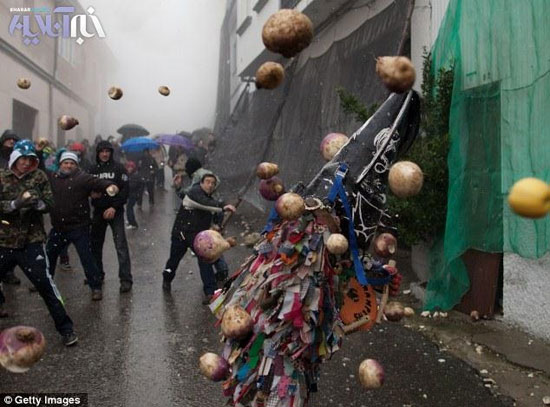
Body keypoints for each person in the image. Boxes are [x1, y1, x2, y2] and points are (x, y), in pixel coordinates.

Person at [0, 140, 77, 346]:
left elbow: (50, 203)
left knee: (46, 286)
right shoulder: (2, 177)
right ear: (15, 159)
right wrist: (15, 204)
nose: (26, 163)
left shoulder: (39, 176)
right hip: (5, 241)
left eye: (30, 159)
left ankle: (66, 329)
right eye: (23, 159)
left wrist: (39, 203)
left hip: (31, 241)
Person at [46, 151, 119, 301]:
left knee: (87, 258)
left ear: (76, 165)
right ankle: (44, 283)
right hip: (59, 227)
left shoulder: (82, 178)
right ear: (60, 164)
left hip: (79, 227)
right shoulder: (53, 178)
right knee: (49, 256)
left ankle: (96, 287)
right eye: (65, 162)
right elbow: (40, 169)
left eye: (72, 163)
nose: (68, 165)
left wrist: (110, 186)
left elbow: (98, 182)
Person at [163, 172, 235, 303]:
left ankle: (210, 292)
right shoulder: (195, 192)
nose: (210, 185)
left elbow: (213, 209)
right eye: (207, 182)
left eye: (213, 183)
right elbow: (206, 204)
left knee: (205, 260)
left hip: (198, 235)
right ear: (201, 183)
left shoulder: (210, 198)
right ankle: (166, 278)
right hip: (181, 233)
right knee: (174, 260)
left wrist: (218, 224)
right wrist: (223, 207)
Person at [89, 141, 133, 293]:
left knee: (120, 246)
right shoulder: (92, 169)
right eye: (102, 151)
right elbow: (86, 187)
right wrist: (91, 194)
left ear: (111, 153)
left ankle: (126, 279)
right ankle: (97, 275)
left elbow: (125, 190)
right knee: (95, 246)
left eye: (107, 151)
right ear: (98, 153)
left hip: (116, 212)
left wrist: (114, 207)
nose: (105, 154)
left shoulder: (119, 168)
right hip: (98, 212)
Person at [0, 130, 22, 286]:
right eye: (9, 140)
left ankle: (9, 271)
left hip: (13, 201)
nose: (12, 143)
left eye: (14, 141)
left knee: (10, 238)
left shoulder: (19, 158)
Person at [124, 160, 140, 229]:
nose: (129, 168)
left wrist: (126, 184)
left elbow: (133, 185)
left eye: (131, 167)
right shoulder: (128, 175)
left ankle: (133, 223)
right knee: (128, 208)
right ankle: (130, 221)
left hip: (133, 195)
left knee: (129, 208)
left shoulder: (134, 175)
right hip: (130, 195)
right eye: (128, 167)